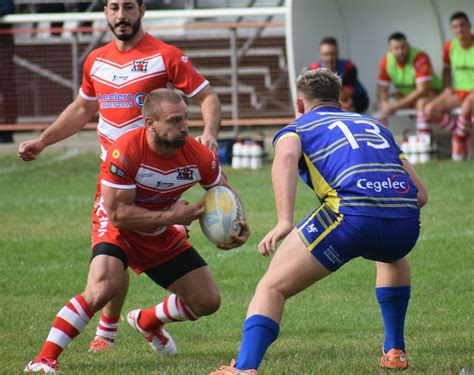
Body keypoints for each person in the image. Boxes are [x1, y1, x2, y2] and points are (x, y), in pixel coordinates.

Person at [18, 0, 221, 353]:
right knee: (112, 258)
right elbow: (83, 108)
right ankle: (100, 335)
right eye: (114, 7)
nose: (121, 15)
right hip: (115, 178)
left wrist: (210, 135)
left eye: (128, 7)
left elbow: (207, 97)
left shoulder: (165, 54)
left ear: (142, 10)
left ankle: (129, 325)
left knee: (199, 294)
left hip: (159, 178)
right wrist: (43, 140)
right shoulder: (95, 60)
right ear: (105, 12)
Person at [211, 68, 428, 374]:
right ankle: (395, 350)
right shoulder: (375, 126)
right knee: (393, 257)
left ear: (300, 103)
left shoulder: (297, 127)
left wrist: (284, 220)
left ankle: (244, 367)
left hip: (350, 216)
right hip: (405, 223)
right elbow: (420, 194)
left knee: (272, 287)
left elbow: (285, 157)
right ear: (339, 99)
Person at [24, 89, 250, 373]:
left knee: (207, 301)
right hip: (118, 224)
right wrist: (173, 216)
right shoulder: (126, 150)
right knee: (102, 288)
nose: (184, 127)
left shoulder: (198, 155)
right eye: (174, 121)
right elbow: (119, 215)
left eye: (186, 119)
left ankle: (148, 321)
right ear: (149, 123)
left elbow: (222, 188)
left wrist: (238, 219)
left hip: (159, 229)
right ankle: (44, 359)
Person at [423, 11, 474, 160]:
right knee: (430, 110)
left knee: (466, 108)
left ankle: (458, 140)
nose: (459, 29)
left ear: (469, 25)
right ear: (452, 30)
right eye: (455, 26)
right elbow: (446, 69)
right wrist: (447, 88)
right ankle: (461, 133)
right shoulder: (449, 46)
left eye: (462, 25)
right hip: (459, 91)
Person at [374, 32, 442, 133]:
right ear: (390, 50)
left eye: (403, 47)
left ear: (408, 45)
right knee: (378, 106)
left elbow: (422, 90)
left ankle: (424, 140)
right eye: (396, 49)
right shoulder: (386, 60)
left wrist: (396, 106)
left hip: (430, 93)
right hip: (405, 96)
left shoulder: (420, 57)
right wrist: (384, 103)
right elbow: (382, 90)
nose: (401, 51)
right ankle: (381, 139)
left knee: (421, 103)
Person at [308, 36, 369, 113]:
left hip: (357, 101)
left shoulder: (348, 67)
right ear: (320, 55)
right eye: (326, 54)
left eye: (332, 54)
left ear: (337, 53)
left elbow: (344, 98)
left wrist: (331, 72)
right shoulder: (312, 70)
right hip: (328, 103)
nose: (330, 58)